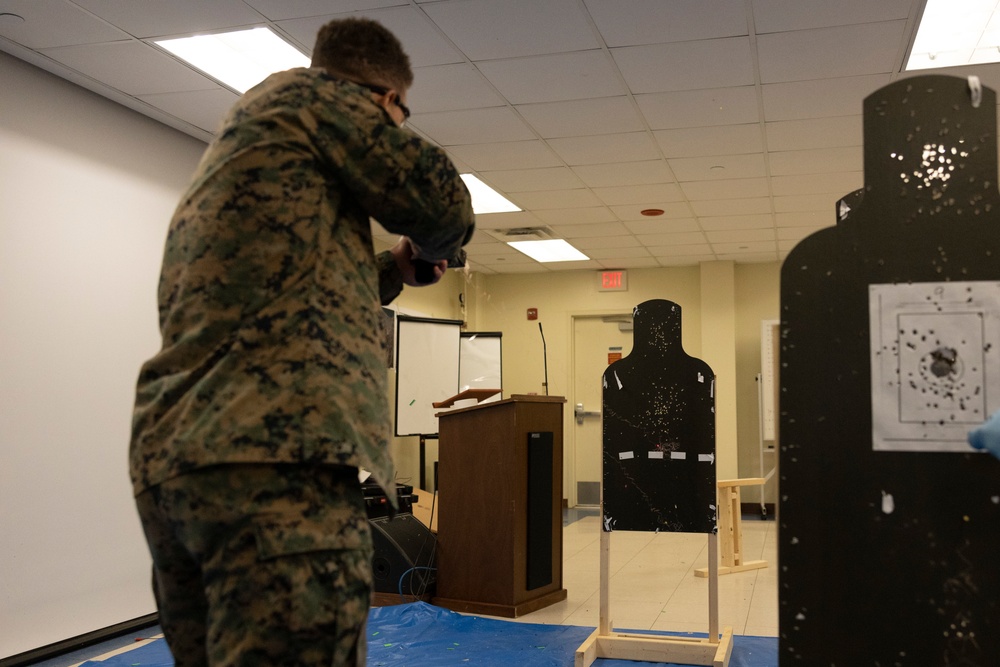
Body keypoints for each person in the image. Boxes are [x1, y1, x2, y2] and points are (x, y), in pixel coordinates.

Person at [129, 17, 474, 666]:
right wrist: (433, 249)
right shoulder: (325, 101)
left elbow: (301, 289)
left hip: (181, 464)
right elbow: (447, 205)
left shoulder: (256, 133)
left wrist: (397, 269)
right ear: (384, 98)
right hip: (274, 465)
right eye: (400, 112)